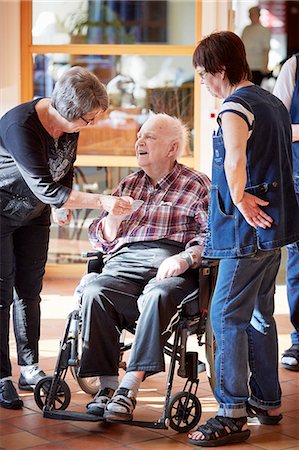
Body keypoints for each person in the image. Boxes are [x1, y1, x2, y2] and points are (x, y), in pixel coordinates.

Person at [188, 31, 299, 447]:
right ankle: (268, 401)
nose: (203, 82)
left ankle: (232, 413)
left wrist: (238, 199)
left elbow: (235, 157)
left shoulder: (235, 105)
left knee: (225, 316)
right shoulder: (270, 101)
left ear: (220, 70)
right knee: (258, 315)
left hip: (246, 232)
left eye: (203, 74)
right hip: (273, 229)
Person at [0, 66, 133, 410]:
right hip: (1, 211)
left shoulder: (70, 127)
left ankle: (28, 367)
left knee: (29, 290)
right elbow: (45, 187)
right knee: (1, 293)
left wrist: (62, 203)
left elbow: (63, 168)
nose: (91, 125)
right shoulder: (20, 126)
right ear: (70, 113)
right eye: (88, 120)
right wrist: (101, 201)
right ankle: (1, 375)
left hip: (33, 215)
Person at [77, 113, 210, 421]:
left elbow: (213, 235)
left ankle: (129, 386)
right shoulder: (128, 184)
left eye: (149, 136)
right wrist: (113, 218)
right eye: (140, 135)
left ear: (172, 148)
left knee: (157, 294)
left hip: (171, 265)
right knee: (95, 289)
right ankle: (107, 388)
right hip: (124, 262)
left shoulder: (197, 184)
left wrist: (185, 258)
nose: (140, 140)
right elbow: (100, 238)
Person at [273, 54, 299, 371]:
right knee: (298, 266)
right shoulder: (294, 66)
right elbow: (275, 124)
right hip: (297, 183)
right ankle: (298, 341)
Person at [241, 6, 271, 86]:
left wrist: (264, 66)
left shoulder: (264, 30)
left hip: (257, 67)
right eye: (249, 14)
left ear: (258, 15)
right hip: (246, 67)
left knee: (254, 91)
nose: (250, 16)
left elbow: (266, 50)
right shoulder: (246, 29)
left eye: (252, 14)